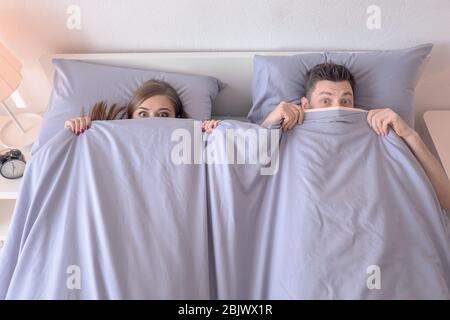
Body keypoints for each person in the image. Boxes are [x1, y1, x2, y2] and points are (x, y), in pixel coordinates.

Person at [261, 62, 450, 210]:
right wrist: (269, 123)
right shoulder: (286, 130)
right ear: (305, 104)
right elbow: (245, 180)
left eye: (345, 100)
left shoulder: (380, 132)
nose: (337, 107)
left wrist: (409, 134)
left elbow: (445, 199)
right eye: (325, 101)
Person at [64, 79, 220, 135]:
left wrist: (212, 132)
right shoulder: (105, 135)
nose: (152, 121)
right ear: (131, 116)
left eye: (163, 115)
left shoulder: (189, 140)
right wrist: (75, 127)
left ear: (177, 117)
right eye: (143, 114)